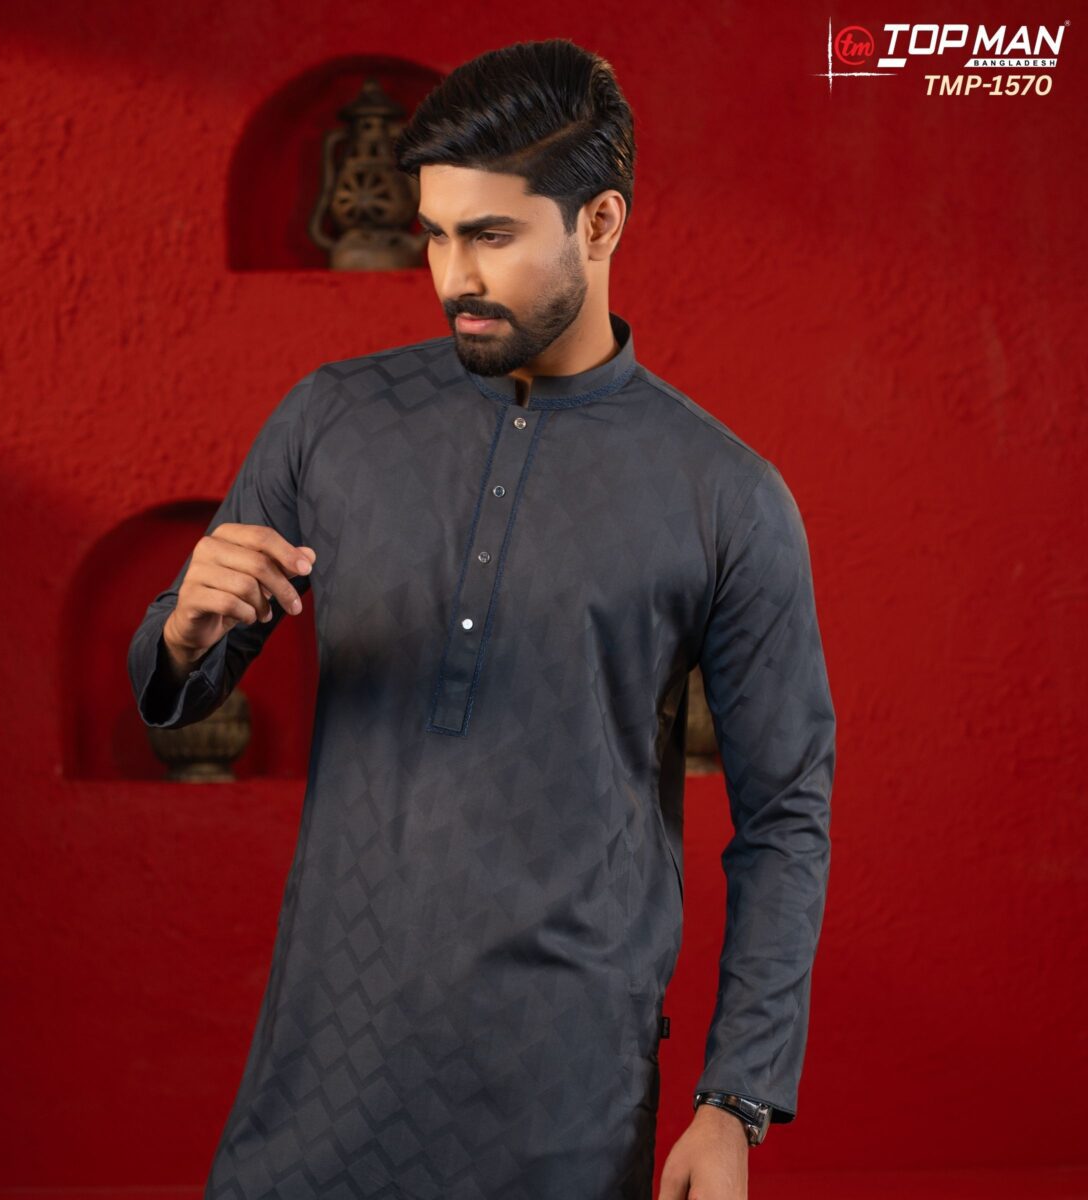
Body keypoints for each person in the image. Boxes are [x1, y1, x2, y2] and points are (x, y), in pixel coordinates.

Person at [127, 37, 836, 1200]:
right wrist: (183, 632)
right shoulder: (333, 420)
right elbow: (180, 682)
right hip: (324, 1072)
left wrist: (735, 1102)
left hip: (569, 1099)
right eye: (436, 234)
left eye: (492, 236)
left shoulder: (725, 495)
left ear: (599, 223)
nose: (452, 273)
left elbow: (786, 812)